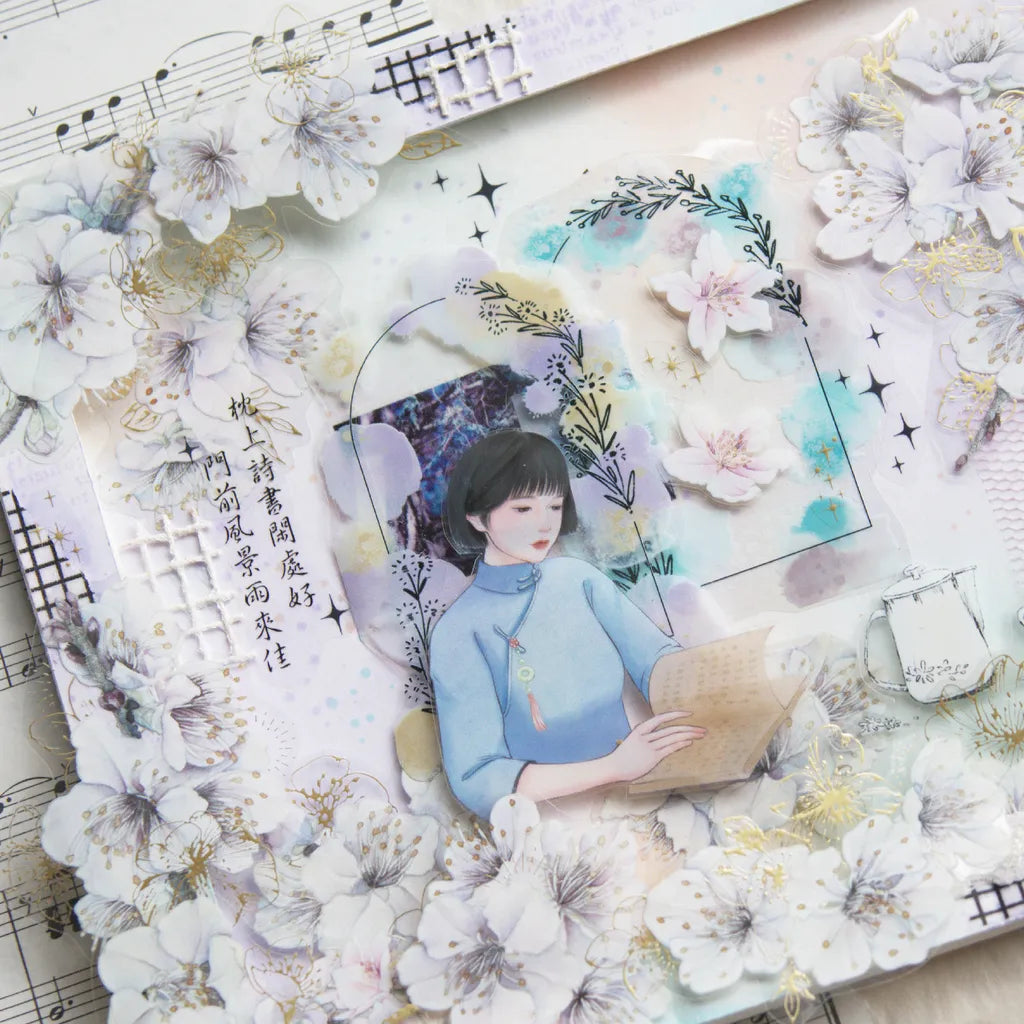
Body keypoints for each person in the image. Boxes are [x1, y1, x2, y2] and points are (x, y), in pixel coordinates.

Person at [430, 429, 705, 819]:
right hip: (555, 825)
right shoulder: (457, 632)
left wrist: (716, 695)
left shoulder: (578, 579)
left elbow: (656, 657)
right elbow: (477, 777)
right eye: (523, 509)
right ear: (476, 516)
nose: (545, 525)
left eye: (555, 506)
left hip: (649, 790)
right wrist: (614, 767)